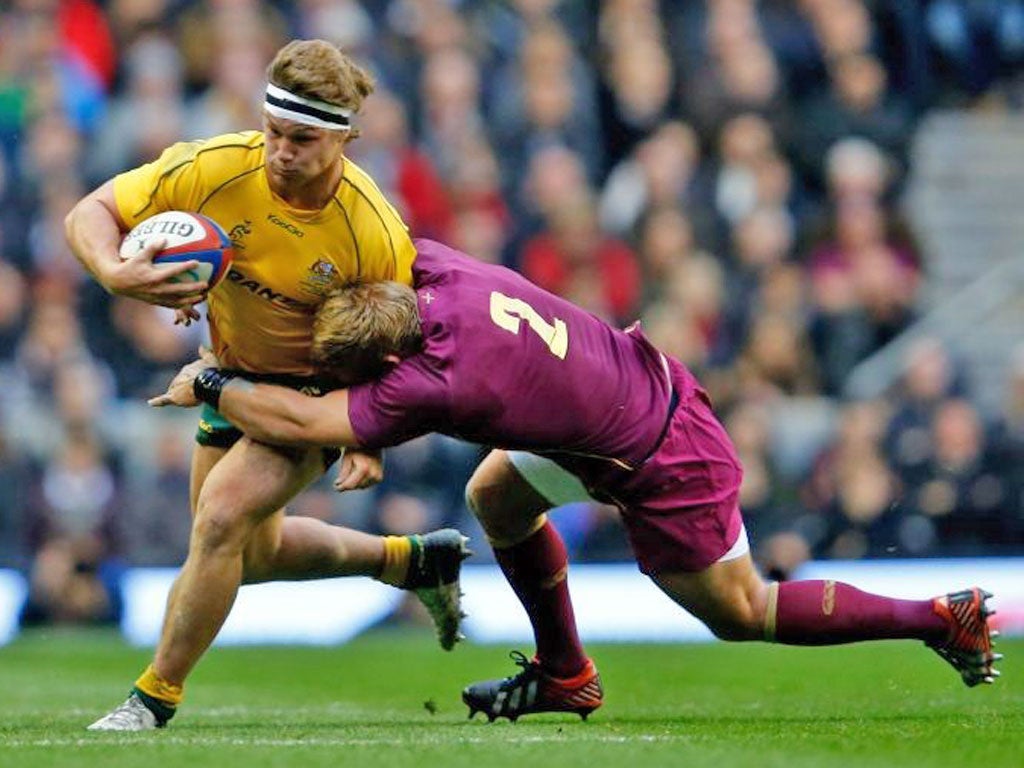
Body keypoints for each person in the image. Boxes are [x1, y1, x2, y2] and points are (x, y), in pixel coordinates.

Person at [152, 238, 1002, 723]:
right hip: (622, 392)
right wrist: (361, 430)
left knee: (744, 612)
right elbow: (355, 393)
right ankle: (565, 673)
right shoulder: (434, 273)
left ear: (387, 361)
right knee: (496, 495)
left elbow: (308, 421)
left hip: (659, 453)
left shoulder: (436, 382)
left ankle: (939, 618)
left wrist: (217, 384)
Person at [64, 40, 470, 731]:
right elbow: (89, 213)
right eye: (274, 131)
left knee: (221, 518)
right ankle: (409, 563)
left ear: (344, 136)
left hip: (311, 398)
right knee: (244, 554)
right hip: (229, 376)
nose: (280, 151)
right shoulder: (217, 166)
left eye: (303, 139)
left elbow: (398, 345)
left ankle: (153, 698)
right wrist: (115, 270)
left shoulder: (371, 229)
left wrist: (368, 437)